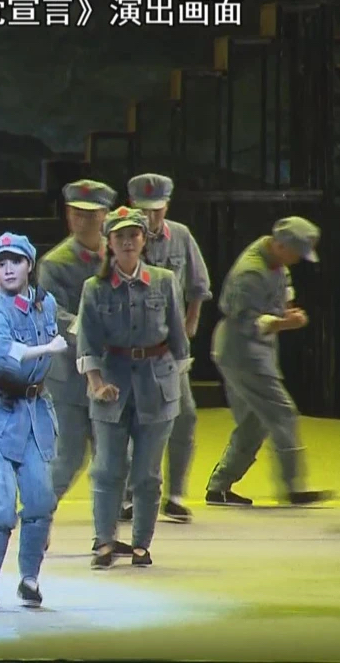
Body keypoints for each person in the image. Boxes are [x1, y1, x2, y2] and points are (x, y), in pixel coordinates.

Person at [76, 207, 189, 569]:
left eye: (134, 235)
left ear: (144, 240)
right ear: (109, 242)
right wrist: (97, 384)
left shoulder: (164, 281)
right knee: (107, 469)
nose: (127, 242)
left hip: (157, 384)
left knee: (147, 473)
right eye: (120, 236)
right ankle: (104, 541)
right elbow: (87, 343)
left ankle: (141, 543)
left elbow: (178, 338)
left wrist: (176, 385)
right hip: (112, 384)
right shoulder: (95, 288)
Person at [0, 232, 66, 608]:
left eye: (16, 261)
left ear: (30, 265)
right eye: (0, 263)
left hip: (35, 413)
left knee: (40, 501)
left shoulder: (46, 303)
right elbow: (0, 357)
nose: (8, 269)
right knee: (1, 507)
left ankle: (29, 578)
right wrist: (46, 348)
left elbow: (63, 329)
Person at [205, 217, 333, 507]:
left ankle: (219, 486)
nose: (298, 260)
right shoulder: (250, 272)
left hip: (253, 351)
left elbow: (283, 290)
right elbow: (246, 321)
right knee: (282, 413)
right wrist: (286, 323)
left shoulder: (276, 261)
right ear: (281, 245)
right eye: (296, 253)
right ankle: (293, 487)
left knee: (255, 422)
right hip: (242, 352)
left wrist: (287, 311)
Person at [37, 179, 134, 555]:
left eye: (91, 215)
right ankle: (38, 520)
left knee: (114, 459)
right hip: (70, 378)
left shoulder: (118, 258)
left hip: (112, 374)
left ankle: (105, 535)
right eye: (76, 214)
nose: (82, 221)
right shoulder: (56, 263)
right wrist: (95, 330)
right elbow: (53, 315)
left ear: (105, 217)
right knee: (68, 457)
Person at [125, 174, 212, 523]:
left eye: (157, 210)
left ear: (167, 207)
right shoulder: (121, 236)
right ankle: (129, 494)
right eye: (144, 210)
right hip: (129, 344)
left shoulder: (181, 236)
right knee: (132, 419)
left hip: (168, 345)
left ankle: (175, 494)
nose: (150, 218)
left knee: (184, 415)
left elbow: (199, 285)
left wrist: (191, 322)